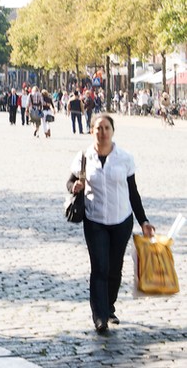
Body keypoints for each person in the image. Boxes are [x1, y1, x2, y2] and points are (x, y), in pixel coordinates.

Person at [67, 114, 155, 334]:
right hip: (95, 219)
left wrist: (143, 220)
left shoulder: (124, 158)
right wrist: (74, 186)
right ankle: (100, 316)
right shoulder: (84, 157)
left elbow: (133, 193)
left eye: (106, 128)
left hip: (121, 220)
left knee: (115, 268)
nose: (102, 132)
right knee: (100, 267)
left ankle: (109, 305)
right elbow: (69, 181)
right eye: (98, 128)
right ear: (92, 131)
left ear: (112, 131)